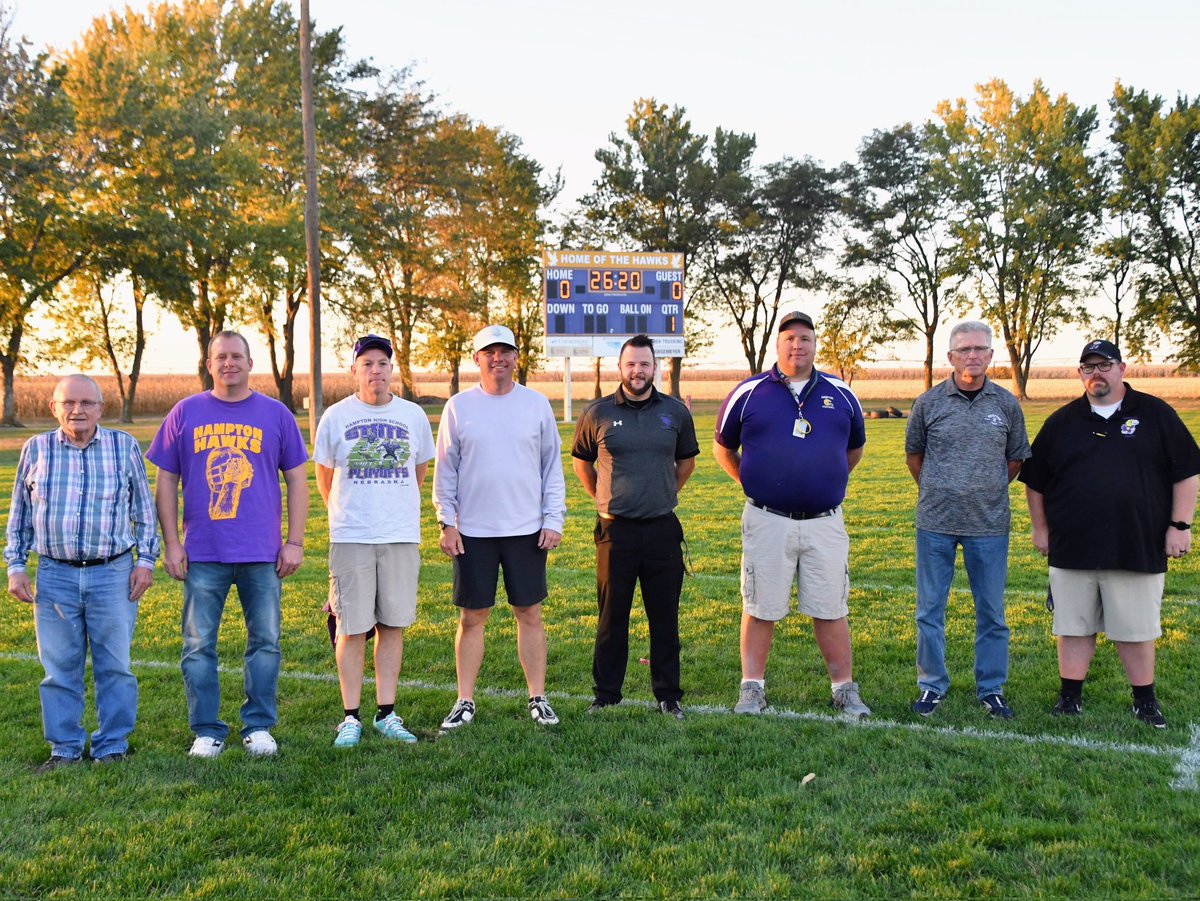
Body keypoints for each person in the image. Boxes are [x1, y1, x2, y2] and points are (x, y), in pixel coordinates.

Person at [1019, 339, 1199, 729]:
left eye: (1104, 365)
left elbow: (1186, 472)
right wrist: (1041, 527)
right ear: (1080, 373)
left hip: (1136, 541)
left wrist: (1180, 526)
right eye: (1088, 367)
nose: (1096, 373)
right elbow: (1035, 482)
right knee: (1072, 625)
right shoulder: (1062, 422)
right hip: (1072, 544)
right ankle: (1069, 698)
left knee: (1135, 630)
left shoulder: (1155, 414)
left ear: (1122, 369)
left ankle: (1144, 701)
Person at [147, 331, 309, 758]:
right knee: (199, 646)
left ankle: (258, 726)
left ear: (250, 363)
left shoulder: (275, 414)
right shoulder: (185, 412)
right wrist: (171, 543)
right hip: (203, 553)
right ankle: (207, 730)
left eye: (237, 356)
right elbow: (166, 478)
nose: (229, 363)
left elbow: (296, 478)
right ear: (209, 364)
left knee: (266, 643)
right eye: (221, 357)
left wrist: (294, 541)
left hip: (261, 553)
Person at [713, 311, 872, 719]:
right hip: (767, 519)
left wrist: (823, 480)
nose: (797, 346)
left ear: (815, 344)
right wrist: (752, 482)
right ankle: (752, 688)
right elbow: (723, 449)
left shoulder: (840, 393)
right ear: (778, 345)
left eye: (804, 338)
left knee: (831, 606)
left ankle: (844, 690)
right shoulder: (748, 393)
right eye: (789, 339)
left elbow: (853, 450)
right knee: (760, 604)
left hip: (824, 521)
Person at [5, 375, 159, 772]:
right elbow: (20, 516)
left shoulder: (123, 447)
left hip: (113, 573)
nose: (78, 410)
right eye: (69, 402)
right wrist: (16, 567)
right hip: (55, 575)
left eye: (87, 403)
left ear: (101, 408)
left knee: (115, 665)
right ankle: (65, 748)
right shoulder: (35, 449)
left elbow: (144, 511)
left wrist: (145, 562)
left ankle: (112, 746)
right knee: (59, 667)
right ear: (53, 407)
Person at [433, 324, 566, 729]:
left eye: (506, 351)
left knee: (529, 613)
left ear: (515, 357)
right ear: (476, 359)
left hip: (526, 529)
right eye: (489, 352)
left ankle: (538, 698)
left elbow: (551, 468)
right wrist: (446, 523)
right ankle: (465, 700)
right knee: (472, 617)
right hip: (473, 531)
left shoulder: (536, 404)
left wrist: (552, 519)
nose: (499, 358)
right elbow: (445, 472)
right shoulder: (459, 406)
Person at [313, 334, 434, 748]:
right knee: (350, 627)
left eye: (382, 363)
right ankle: (350, 716)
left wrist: (391, 507)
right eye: (367, 364)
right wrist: (352, 514)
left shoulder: (413, 415)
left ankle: (386, 712)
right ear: (354, 370)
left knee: (392, 625)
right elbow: (325, 481)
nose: (375, 371)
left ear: (391, 368)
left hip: (400, 535)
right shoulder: (335, 417)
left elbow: (417, 472)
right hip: (351, 536)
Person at [905, 322, 1030, 719]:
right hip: (935, 523)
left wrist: (985, 488)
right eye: (964, 350)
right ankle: (931, 686)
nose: (972, 356)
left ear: (992, 356)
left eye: (980, 349)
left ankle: (991, 688)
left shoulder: (1006, 404)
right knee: (930, 610)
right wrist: (943, 488)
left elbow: (1015, 459)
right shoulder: (928, 403)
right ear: (951, 357)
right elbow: (915, 457)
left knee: (991, 611)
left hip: (989, 524)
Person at [571, 335, 699, 719]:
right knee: (612, 617)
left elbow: (686, 464)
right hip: (616, 533)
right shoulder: (598, 413)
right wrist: (603, 499)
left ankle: (668, 695)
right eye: (631, 364)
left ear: (654, 367)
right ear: (620, 368)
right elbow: (582, 462)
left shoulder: (675, 413)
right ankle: (606, 693)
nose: (638, 371)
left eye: (645, 364)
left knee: (664, 618)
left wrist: (662, 494)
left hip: (662, 530)